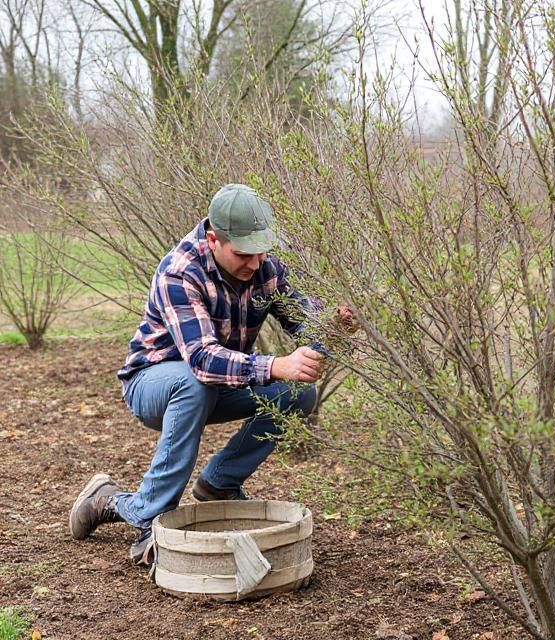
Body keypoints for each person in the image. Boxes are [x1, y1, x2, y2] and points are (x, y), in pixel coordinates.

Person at [68, 184, 346, 567]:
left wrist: (334, 325)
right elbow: (201, 359)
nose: (256, 261)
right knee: (194, 382)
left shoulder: (266, 267)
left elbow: (304, 323)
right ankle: (143, 516)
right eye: (244, 254)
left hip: (215, 385)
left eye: (262, 250)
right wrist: (275, 364)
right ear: (214, 239)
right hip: (153, 385)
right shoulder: (180, 272)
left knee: (297, 394)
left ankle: (219, 483)